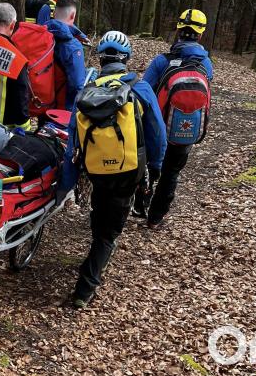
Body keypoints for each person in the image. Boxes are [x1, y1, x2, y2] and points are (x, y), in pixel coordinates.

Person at [56, 31, 167, 309]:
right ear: (126, 59)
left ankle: (97, 247)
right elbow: (157, 134)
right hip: (128, 171)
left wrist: (65, 185)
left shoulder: (86, 93)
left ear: (101, 59)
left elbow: (73, 144)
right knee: (109, 232)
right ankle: (85, 288)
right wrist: (155, 167)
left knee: (101, 211)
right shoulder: (140, 89)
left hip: (96, 171)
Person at [133, 9, 214, 228]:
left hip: (156, 126)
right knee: (172, 173)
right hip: (185, 127)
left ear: (178, 30)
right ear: (201, 34)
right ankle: (156, 217)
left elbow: (144, 91)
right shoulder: (206, 64)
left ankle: (140, 205)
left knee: (149, 166)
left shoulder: (162, 61)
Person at [45, 0, 88, 111]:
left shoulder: (42, 35)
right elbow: (77, 85)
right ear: (73, 15)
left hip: (42, 104)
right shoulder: (73, 46)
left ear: (54, 13)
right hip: (64, 110)